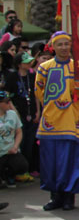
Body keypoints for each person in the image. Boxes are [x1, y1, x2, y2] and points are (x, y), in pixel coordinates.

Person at [34, 32, 79, 211]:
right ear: (53, 47)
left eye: (66, 44)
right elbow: (39, 92)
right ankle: (55, 196)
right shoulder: (44, 67)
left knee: (70, 159)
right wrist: (53, 105)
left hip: (72, 120)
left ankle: (68, 198)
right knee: (51, 161)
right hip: (51, 120)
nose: (64, 48)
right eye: (60, 45)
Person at [13, 51, 38, 179]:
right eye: (26, 61)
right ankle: (19, 171)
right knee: (21, 143)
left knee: (30, 143)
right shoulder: (13, 77)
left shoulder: (33, 76)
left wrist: (38, 111)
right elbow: (9, 97)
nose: (29, 63)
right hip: (20, 115)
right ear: (19, 64)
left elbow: (37, 95)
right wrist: (16, 114)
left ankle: (28, 169)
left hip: (32, 113)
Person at [0, 92, 28, 187]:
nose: (9, 104)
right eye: (7, 102)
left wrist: (15, 146)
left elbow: (19, 132)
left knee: (22, 165)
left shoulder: (12, 114)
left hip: (10, 150)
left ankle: (9, 176)